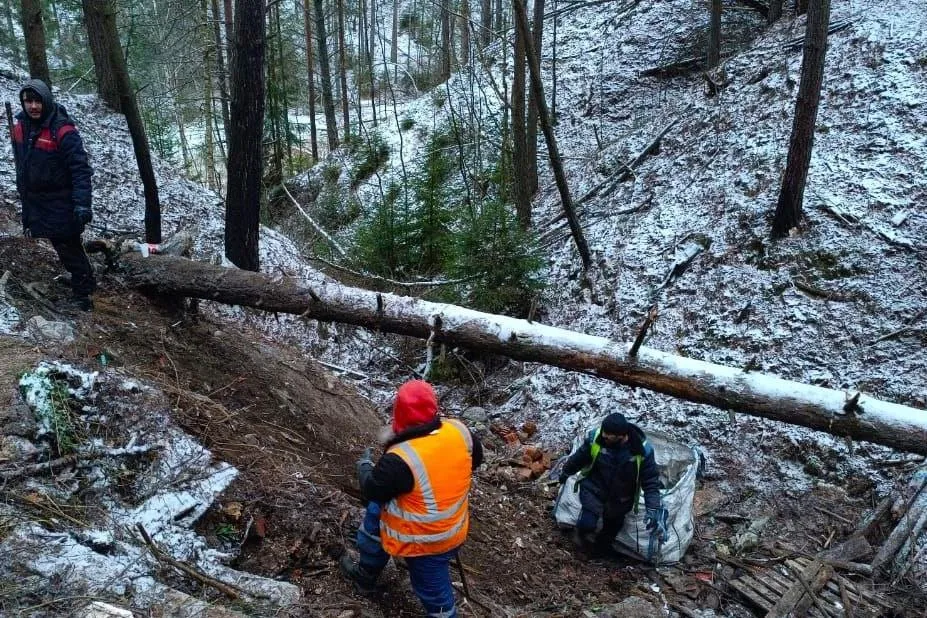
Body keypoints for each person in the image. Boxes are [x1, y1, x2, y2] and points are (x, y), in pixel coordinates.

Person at [340, 379, 483, 618]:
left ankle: (367, 574)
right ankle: (366, 574)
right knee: (378, 510)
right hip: (454, 525)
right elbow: (475, 460)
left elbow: (373, 490)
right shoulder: (459, 431)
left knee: (435, 596)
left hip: (427, 541)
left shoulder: (401, 458)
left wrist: (364, 467)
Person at [12, 78, 95, 311]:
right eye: (28, 101)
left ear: (46, 100)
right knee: (58, 243)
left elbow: (80, 170)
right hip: (35, 200)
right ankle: (78, 278)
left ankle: (84, 295)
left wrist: (82, 204)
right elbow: (21, 162)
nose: (33, 106)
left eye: (37, 101)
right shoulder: (20, 126)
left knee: (67, 244)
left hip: (61, 200)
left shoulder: (63, 130)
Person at [559, 412, 668, 558]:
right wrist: (566, 472)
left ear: (621, 436)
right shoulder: (596, 440)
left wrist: (653, 507)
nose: (603, 435)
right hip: (594, 489)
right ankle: (580, 542)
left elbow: (650, 482)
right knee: (587, 523)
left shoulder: (641, 451)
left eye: (608, 434)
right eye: (603, 431)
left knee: (611, 530)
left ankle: (599, 551)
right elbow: (579, 458)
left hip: (621, 497)